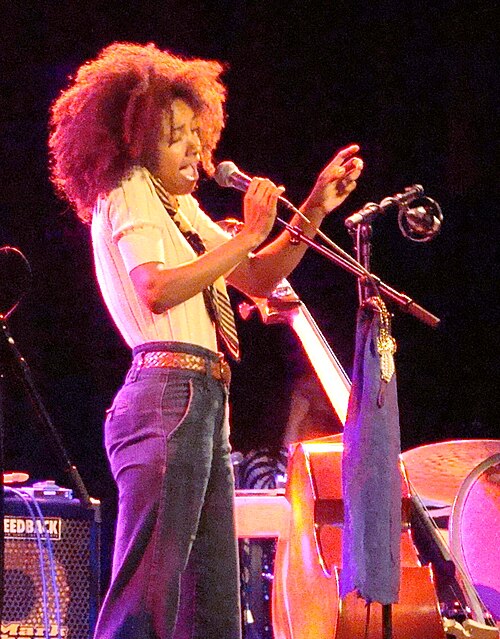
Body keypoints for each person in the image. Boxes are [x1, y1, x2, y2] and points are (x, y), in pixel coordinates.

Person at [48, 42, 363, 639]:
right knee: (149, 599)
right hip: (167, 393)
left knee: (212, 608)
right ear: (138, 142)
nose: (196, 147)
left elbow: (257, 277)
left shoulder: (180, 206)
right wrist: (245, 235)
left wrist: (313, 209)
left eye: (196, 131)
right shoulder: (132, 188)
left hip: (202, 400)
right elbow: (157, 289)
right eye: (177, 136)